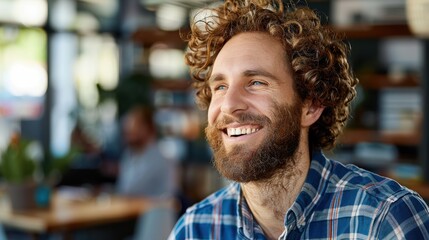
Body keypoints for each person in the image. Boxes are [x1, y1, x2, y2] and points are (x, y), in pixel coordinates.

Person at [169, 0, 429, 239]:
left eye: (256, 82)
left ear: (311, 106)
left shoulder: (383, 220)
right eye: (220, 87)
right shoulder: (195, 229)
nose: (228, 104)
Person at [116, 105, 177, 199]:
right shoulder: (131, 154)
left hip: (155, 212)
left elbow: (130, 189)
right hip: (134, 210)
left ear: (147, 128)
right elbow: (123, 189)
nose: (129, 131)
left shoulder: (159, 157)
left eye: (134, 126)